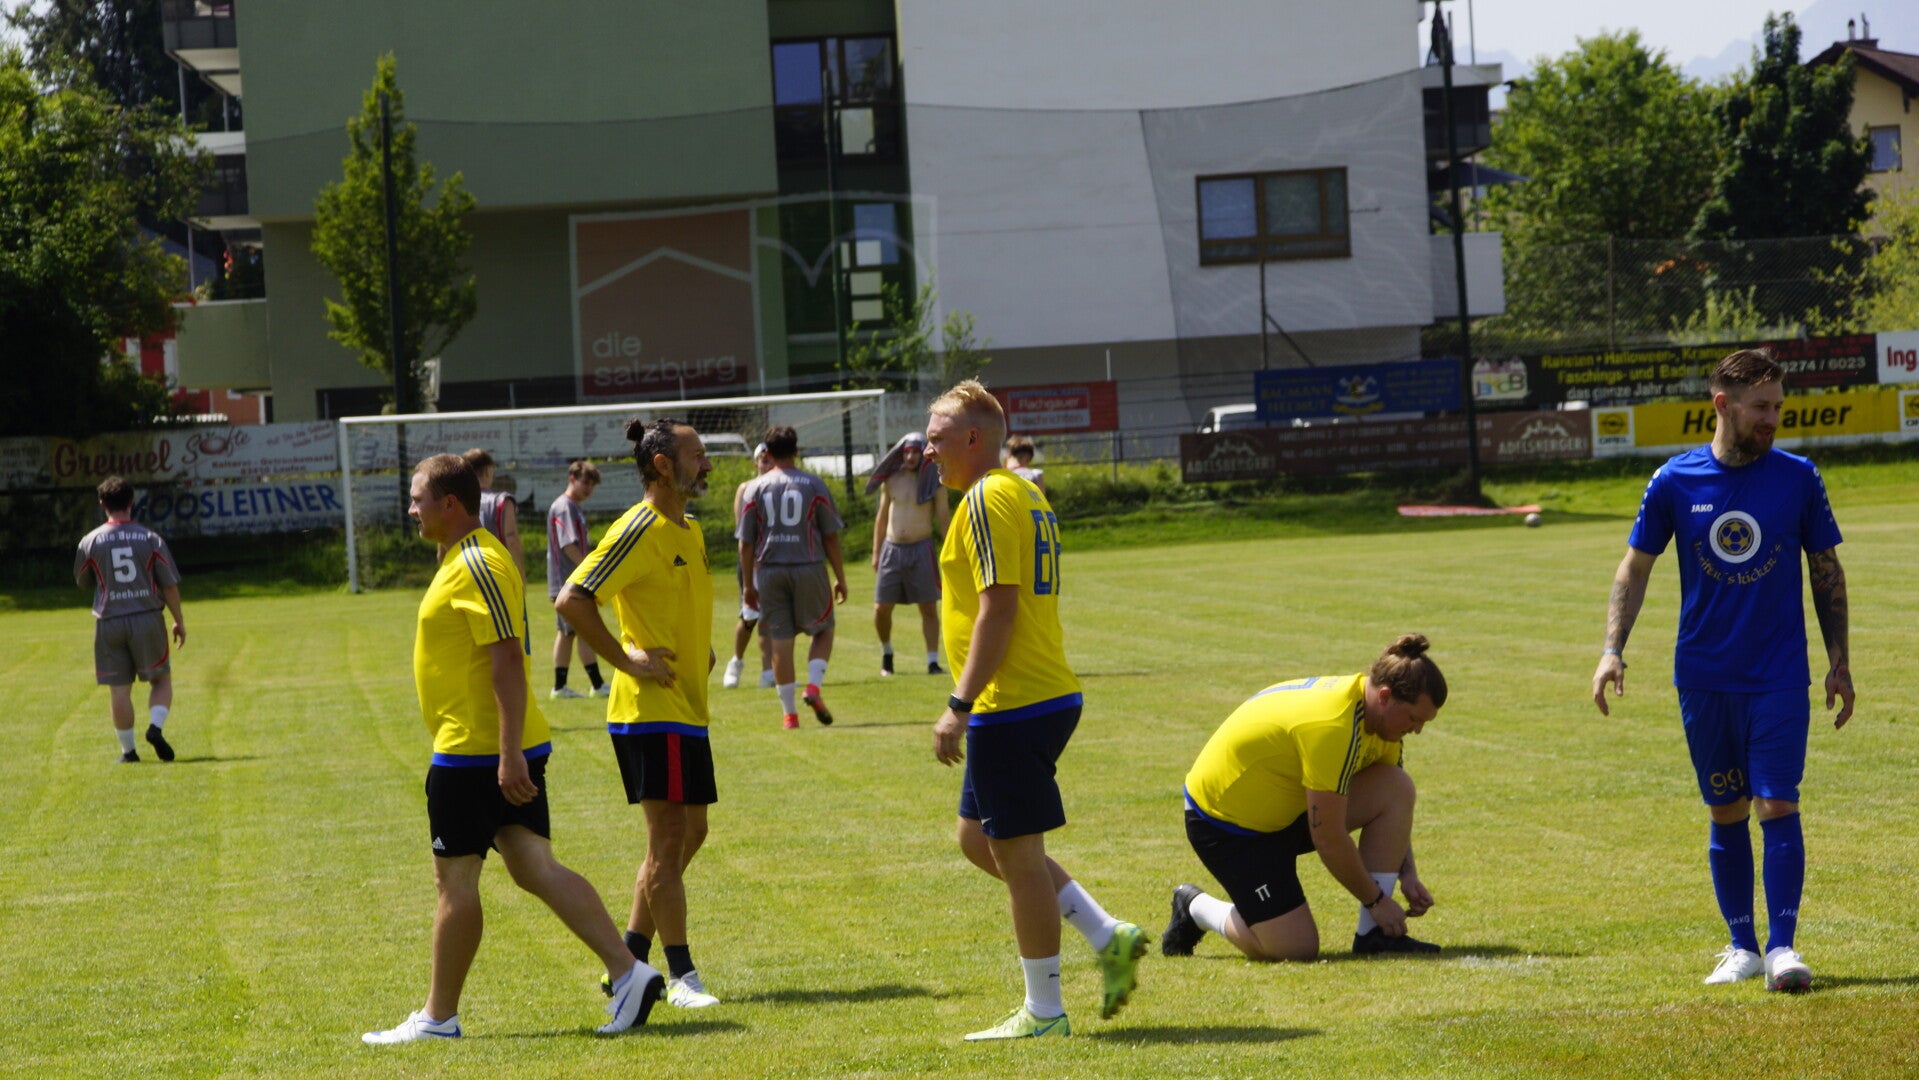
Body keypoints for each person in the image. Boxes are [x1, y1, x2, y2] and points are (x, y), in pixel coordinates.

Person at [362, 454, 664, 1045]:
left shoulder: (478, 561)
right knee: (534, 868)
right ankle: (629, 973)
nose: (411, 509)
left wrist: (506, 755)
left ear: (450, 503)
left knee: (455, 883)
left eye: (418, 499)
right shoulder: (461, 557)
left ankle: (438, 1018)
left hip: (477, 753)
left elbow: (505, 658)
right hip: (489, 748)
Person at [1591, 348, 1852, 994]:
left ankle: (1782, 947)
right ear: (1721, 405)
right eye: (1760, 407)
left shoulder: (1798, 478)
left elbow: (1826, 571)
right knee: (1725, 808)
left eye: (1777, 406)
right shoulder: (1673, 481)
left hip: (1778, 674)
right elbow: (1634, 567)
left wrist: (1839, 663)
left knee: (1776, 800)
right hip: (1704, 675)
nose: (1772, 419)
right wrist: (1611, 648)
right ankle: (1740, 946)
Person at [923, 380, 1147, 1041]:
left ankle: (1044, 1012)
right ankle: (1105, 934)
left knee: (1019, 859)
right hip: (1039, 692)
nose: (927, 449)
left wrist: (958, 704)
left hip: (1013, 701)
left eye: (937, 438)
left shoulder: (987, 497)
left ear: (972, 439)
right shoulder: (1023, 491)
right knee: (978, 840)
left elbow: (999, 606)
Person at [555, 419, 723, 1011]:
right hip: (651, 711)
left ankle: (628, 958)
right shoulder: (637, 528)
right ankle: (682, 978)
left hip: (687, 707)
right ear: (662, 466)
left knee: (688, 835)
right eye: (697, 455)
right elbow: (573, 599)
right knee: (668, 840)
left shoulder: (690, 531)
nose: (706, 464)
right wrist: (627, 659)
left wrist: (699, 646)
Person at [1162, 636, 1448, 964]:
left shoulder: (1380, 722)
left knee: (1395, 785)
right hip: (1227, 827)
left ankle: (1376, 936)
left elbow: (1388, 801)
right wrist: (1377, 901)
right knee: (1294, 949)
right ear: (1384, 696)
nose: (1418, 729)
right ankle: (1195, 907)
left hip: (1286, 811)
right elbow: (1328, 837)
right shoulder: (1332, 724)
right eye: (1414, 718)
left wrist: (1406, 873)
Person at [738, 426, 848, 729]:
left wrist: (748, 585)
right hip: (808, 566)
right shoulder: (814, 484)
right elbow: (830, 536)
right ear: (797, 451)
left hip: (770, 571)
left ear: (768, 453)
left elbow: (745, 543)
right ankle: (812, 687)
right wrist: (840, 576)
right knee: (824, 630)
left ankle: (790, 715)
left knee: (780, 641)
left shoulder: (755, 488)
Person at [74, 476, 186, 763]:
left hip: (109, 621)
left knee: (119, 689)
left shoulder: (90, 541)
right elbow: (169, 585)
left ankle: (128, 752)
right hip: (147, 617)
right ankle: (155, 728)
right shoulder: (150, 539)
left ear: (102, 504)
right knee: (160, 680)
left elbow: (83, 581)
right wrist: (178, 620)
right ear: (132, 502)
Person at [867, 432, 949, 677]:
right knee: (881, 608)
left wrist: (952, 551)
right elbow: (882, 518)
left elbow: (944, 519)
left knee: (928, 607)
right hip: (892, 549)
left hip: (921, 548)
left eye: (915, 452)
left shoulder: (934, 481)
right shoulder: (892, 479)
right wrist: (876, 552)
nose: (911, 456)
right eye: (907, 452)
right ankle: (887, 654)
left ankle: (932, 661)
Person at [547, 459, 609, 700]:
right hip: (567, 582)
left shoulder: (573, 507)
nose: (589, 489)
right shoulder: (565, 507)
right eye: (585, 482)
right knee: (577, 631)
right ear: (571, 479)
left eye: (592, 485)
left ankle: (568, 686)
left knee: (572, 632)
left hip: (569, 581)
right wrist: (588, 569)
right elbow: (568, 545)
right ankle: (587, 685)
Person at [722, 444, 777, 690]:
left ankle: (768, 672)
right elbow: (742, 529)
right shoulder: (746, 488)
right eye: (763, 460)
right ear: (756, 463)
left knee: (769, 618)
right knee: (749, 617)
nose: (767, 464)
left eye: (770, 459)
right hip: (751, 562)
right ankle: (736, 661)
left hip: (773, 561)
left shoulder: (780, 487)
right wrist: (752, 559)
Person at [463, 448, 526, 577]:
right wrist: (520, 573)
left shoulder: (456, 503)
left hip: (465, 571)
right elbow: (511, 539)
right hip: (497, 572)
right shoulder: (502, 501)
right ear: (487, 471)